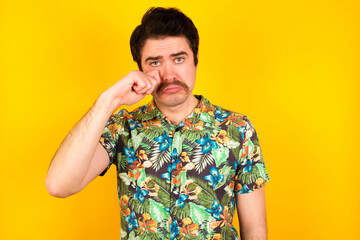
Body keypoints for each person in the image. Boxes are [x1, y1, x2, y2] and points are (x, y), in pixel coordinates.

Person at [46, 7, 270, 240]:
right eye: (154, 63)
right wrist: (109, 100)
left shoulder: (237, 128)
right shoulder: (122, 128)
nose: (168, 74)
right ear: (140, 68)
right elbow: (59, 185)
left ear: (195, 59)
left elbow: (254, 228)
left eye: (179, 59)